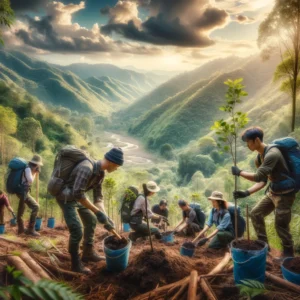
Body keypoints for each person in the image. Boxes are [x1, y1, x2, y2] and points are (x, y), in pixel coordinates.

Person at [55, 147, 124, 274]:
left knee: (91, 220)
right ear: (113, 163)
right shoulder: (86, 168)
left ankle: (88, 253)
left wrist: (105, 216)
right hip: (65, 197)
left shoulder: (100, 173)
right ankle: (75, 264)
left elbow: (98, 197)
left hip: (76, 197)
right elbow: (78, 194)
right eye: (117, 166)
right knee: (76, 230)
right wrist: (97, 212)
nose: (116, 169)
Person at [231, 126, 295, 258]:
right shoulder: (259, 158)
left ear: (257, 140)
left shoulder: (273, 153)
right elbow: (263, 181)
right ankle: (264, 247)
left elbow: (259, 176)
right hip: (273, 192)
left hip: (286, 194)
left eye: (248, 142)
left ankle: (288, 255)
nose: (247, 145)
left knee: (280, 225)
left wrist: (239, 172)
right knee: (255, 213)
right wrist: (246, 192)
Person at [16, 155, 43, 237]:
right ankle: (30, 230)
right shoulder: (28, 169)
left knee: (22, 209)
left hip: (23, 192)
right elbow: (30, 180)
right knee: (35, 207)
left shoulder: (29, 168)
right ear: (36, 164)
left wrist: (34, 172)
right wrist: (35, 173)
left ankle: (21, 230)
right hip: (22, 192)